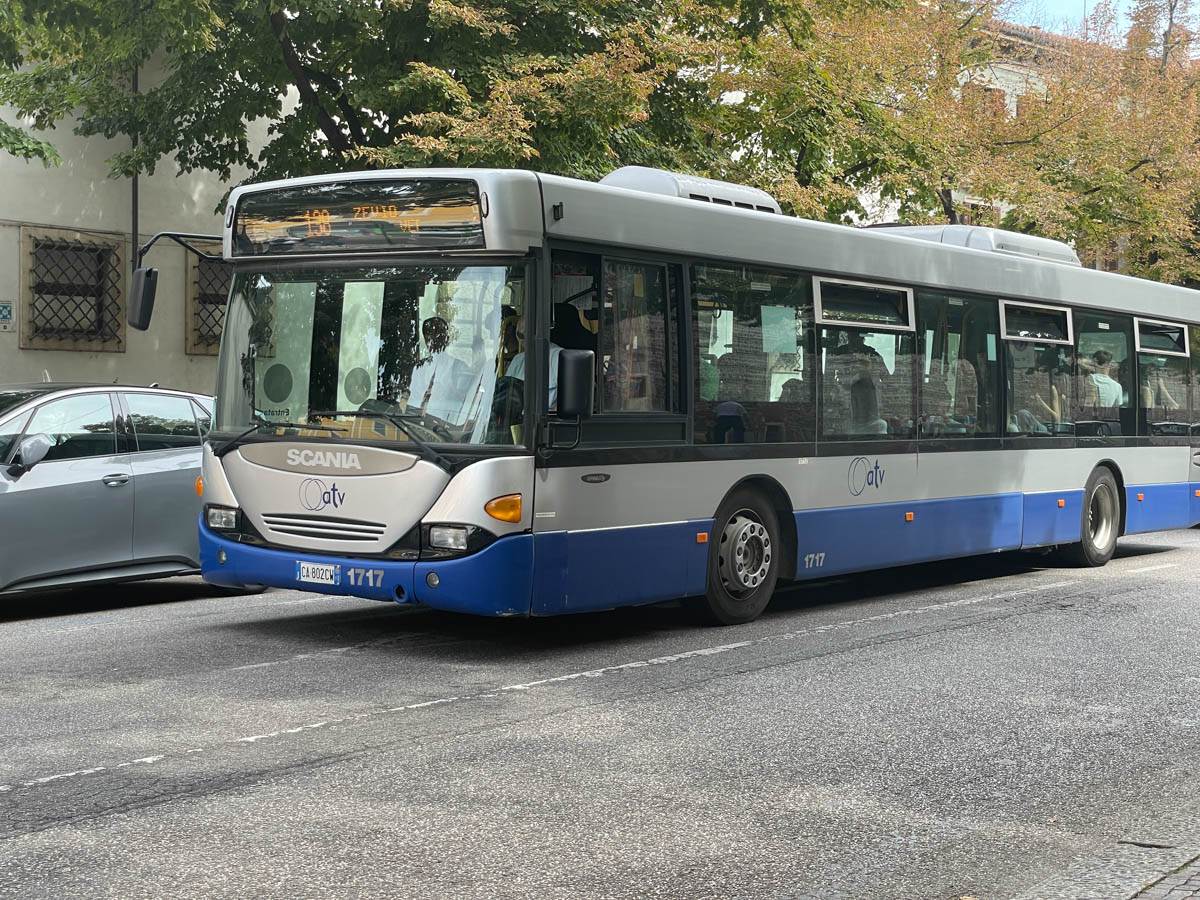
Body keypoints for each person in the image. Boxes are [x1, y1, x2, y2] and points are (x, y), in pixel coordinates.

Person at [405, 316, 470, 423]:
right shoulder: (419, 368)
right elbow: (412, 402)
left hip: (448, 429)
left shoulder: (459, 368)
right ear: (425, 339)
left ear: (446, 338)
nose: (433, 340)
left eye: (437, 335)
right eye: (429, 336)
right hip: (417, 427)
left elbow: (466, 404)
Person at [506, 314, 564, 409]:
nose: (525, 340)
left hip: (545, 421)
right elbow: (505, 399)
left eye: (529, 333)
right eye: (520, 335)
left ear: (541, 331)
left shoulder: (559, 357)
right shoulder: (518, 360)